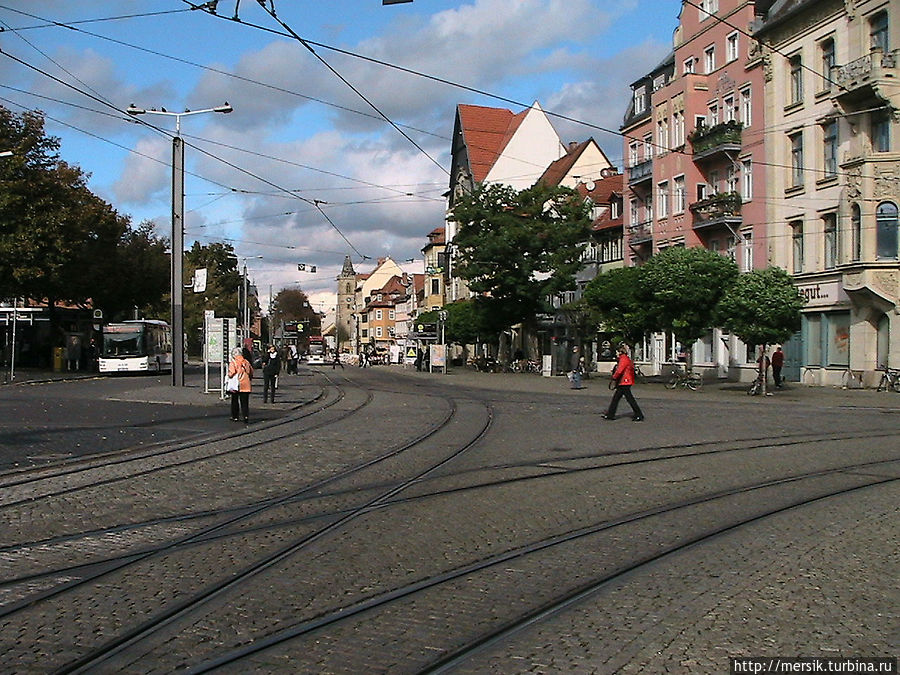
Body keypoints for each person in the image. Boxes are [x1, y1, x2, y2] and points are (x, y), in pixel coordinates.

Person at [603, 344, 644, 422]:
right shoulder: (623, 359)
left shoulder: (623, 359)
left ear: (620, 352)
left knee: (629, 399)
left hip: (625, 381)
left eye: (617, 352)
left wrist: (614, 377)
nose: (616, 354)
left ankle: (639, 414)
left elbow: (619, 370)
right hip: (624, 381)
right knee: (616, 398)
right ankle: (610, 414)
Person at [228, 346, 253, 423]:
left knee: (235, 400)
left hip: (237, 384)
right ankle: (246, 416)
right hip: (246, 384)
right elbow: (250, 372)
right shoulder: (246, 362)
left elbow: (231, 373)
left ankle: (235, 416)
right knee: (244, 402)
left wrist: (228, 375)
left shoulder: (233, 362)